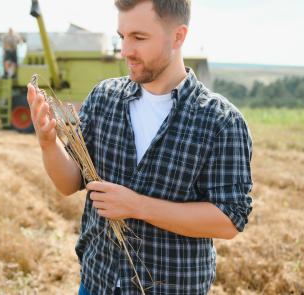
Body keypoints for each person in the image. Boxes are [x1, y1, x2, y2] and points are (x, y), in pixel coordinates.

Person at [26, 0, 253, 294]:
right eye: (122, 37)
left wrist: (137, 206)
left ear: (178, 36)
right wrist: (47, 142)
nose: (125, 51)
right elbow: (69, 182)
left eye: (139, 38)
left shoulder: (221, 121)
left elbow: (229, 220)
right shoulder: (104, 98)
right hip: (97, 283)